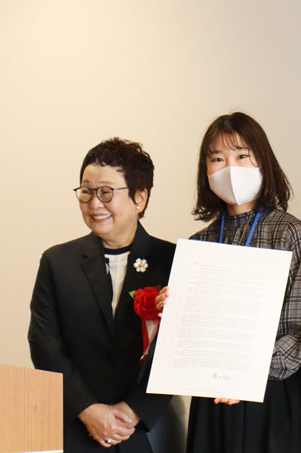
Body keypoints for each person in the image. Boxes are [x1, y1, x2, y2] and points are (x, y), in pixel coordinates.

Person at [156, 112, 301, 453]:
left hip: (269, 396)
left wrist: (244, 374)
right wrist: (171, 313)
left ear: (263, 161)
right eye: (217, 159)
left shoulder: (289, 233)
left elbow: (296, 332)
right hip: (210, 398)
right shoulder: (198, 244)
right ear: (206, 171)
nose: (230, 167)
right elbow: (187, 334)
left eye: (242, 155)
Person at [28, 138, 176, 452]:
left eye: (106, 192)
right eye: (86, 191)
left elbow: (180, 348)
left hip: (150, 429)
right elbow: (44, 344)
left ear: (140, 197)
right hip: (75, 428)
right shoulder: (57, 262)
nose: (95, 204)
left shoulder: (173, 261)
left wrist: (135, 410)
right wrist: (88, 409)